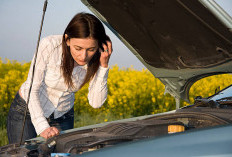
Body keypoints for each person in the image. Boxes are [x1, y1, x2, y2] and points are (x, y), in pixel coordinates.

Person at [7, 12, 112, 144]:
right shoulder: (49, 45)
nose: (83, 56)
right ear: (67, 40)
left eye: (91, 49)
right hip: (27, 111)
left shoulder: (97, 58)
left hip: (63, 116)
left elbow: (96, 103)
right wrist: (42, 126)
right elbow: (31, 88)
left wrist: (103, 66)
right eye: (78, 48)